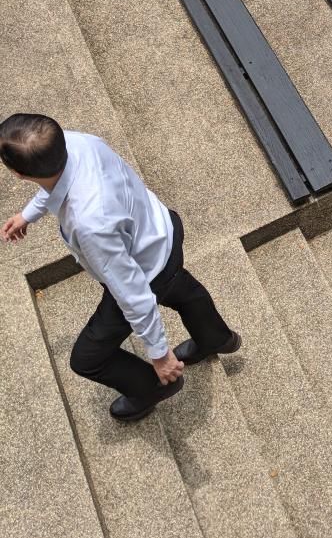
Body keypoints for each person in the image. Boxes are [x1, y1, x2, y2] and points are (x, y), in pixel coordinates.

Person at [0, 115, 241, 422]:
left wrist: (160, 355)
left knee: (87, 359)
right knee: (180, 287)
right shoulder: (75, 141)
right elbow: (55, 179)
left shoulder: (89, 223)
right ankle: (216, 338)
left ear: (18, 174)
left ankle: (153, 388)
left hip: (145, 269)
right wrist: (29, 213)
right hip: (160, 227)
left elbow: (134, 294)